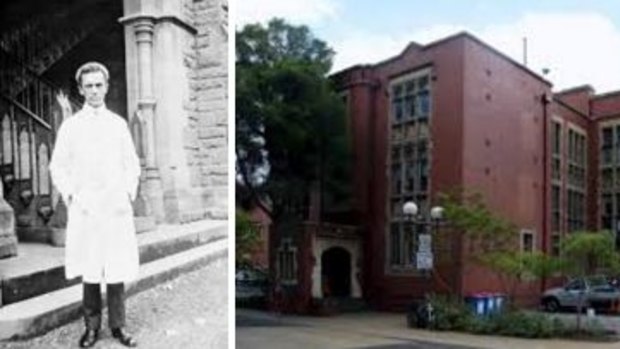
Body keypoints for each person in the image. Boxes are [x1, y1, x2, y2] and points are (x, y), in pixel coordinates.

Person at [49, 62, 140, 348]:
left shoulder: (118, 124)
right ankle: (91, 327)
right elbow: (58, 166)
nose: (94, 91)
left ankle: (118, 326)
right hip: (86, 208)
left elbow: (132, 164)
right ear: (80, 89)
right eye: (88, 86)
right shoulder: (71, 127)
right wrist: (73, 196)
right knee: (90, 268)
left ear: (107, 86)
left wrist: (126, 193)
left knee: (115, 267)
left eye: (99, 85)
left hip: (114, 207)